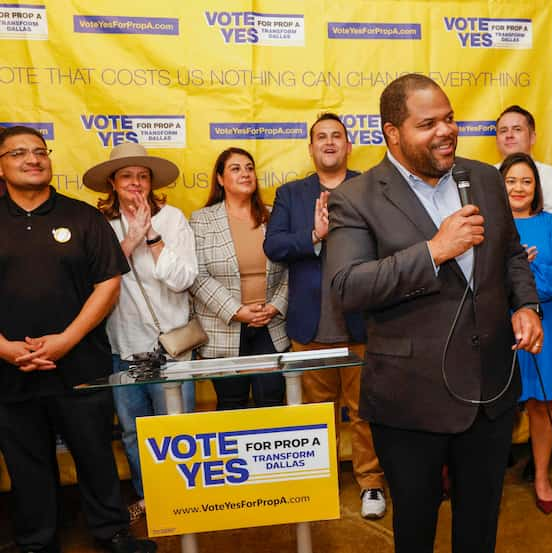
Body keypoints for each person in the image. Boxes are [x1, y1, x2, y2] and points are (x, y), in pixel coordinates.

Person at [324, 74, 542, 553]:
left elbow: (509, 254)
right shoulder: (356, 198)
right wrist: (435, 250)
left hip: (491, 393)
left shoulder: (483, 177)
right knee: (416, 531)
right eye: (428, 123)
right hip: (411, 400)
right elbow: (348, 286)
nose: (445, 130)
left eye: (449, 119)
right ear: (392, 133)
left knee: (480, 528)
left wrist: (525, 305)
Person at [0, 126, 155, 553]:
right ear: (2, 165)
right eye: (19, 153)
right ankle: (36, 541)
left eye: (39, 151)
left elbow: (108, 284)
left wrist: (66, 340)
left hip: (80, 364)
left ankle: (112, 533)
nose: (33, 159)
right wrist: (5, 348)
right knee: (26, 462)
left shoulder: (82, 216)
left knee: (95, 455)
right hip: (10, 370)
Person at [264, 112, 387, 519]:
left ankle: (370, 483)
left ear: (349, 146)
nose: (330, 142)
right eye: (321, 137)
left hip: (361, 324)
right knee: (316, 417)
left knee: (364, 411)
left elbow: (391, 242)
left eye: (337, 136)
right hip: (310, 325)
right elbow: (274, 246)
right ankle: (320, 485)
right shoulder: (291, 194)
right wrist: (314, 236)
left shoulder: (370, 188)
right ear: (311, 148)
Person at [83, 142, 197, 520]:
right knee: (133, 432)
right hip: (123, 347)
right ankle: (150, 497)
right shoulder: (98, 225)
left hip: (172, 347)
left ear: (151, 183)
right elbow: (91, 282)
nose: (135, 183)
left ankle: (185, 497)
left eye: (142, 176)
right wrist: (129, 240)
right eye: (127, 176)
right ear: (112, 183)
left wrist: (151, 237)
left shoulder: (174, 219)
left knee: (177, 430)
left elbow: (183, 280)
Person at [499, 152, 552, 514]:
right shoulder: (487, 225)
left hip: (544, 325)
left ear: (537, 187)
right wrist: (513, 272)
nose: (518, 187)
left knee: (541, 406)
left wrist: (527, 271)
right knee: (496, 405)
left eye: (526, 181)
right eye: (511, 180)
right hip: (496, 326)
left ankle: (542, 476)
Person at [190, 148, 289, 409]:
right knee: (231, 404)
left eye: (249, 167)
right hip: (223, 328)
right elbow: (197, 275)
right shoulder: (201, 220)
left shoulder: (274, 215)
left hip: (271, 324)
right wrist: (236, 311)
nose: (245, 174)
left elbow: (293, 267)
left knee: (272, 400)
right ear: (221, 179)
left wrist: (276, 306)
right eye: (235, 168)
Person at [495, 105, 552, 221]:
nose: (509, 135)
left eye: (517, 129)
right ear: (497, 140)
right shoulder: (487, 175)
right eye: (503, 131)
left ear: (532, 138)